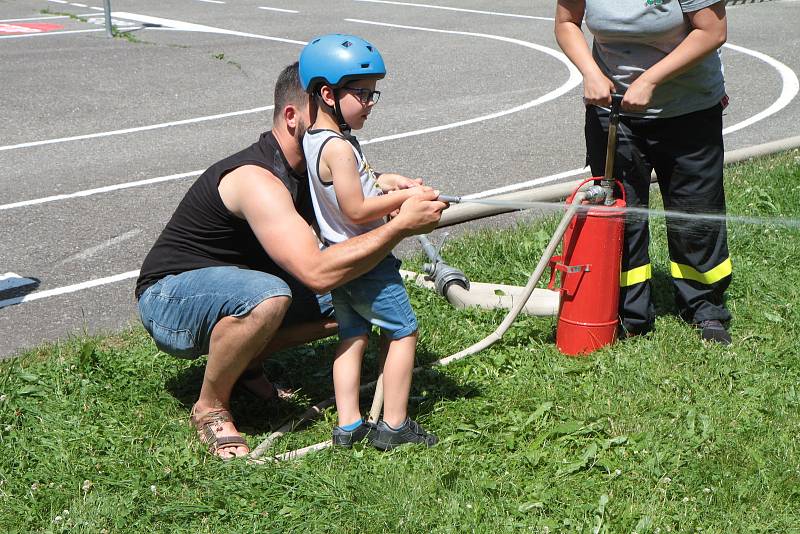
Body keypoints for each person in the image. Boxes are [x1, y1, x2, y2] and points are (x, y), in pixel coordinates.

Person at [135, 62, 446, 460]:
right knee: (270, 296)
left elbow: (339, 196)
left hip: (235, 284)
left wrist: (380, 182)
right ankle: (210, 407)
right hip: (171, 296)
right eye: (328, 107)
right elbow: (316, 273)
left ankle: (244, 362)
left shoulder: (309, 163)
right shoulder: (259, 180)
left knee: (354, 293)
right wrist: (400, 227)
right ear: (292, 116)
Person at [555, 0, 733, 344]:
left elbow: (713, 30)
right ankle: (630, 313)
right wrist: (591, 72)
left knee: (694, 213)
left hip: (688, 109)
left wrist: (651, 79)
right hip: (614, 111)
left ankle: (704, 307)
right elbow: (566, 23)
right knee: (623, 215)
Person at [299, 34, 438, 450]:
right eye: (362, 93)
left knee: (353, 334)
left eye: (372, 92)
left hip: (337, 256)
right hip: (367, 263)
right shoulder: (339, 148)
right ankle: (394, 426)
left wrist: (388, 182)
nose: (371, 102)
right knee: (403, 332)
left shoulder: (315, 139)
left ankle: (349, 426)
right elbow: (357, 209)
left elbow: (349, 188)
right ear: (328, 93)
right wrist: (409, 199)